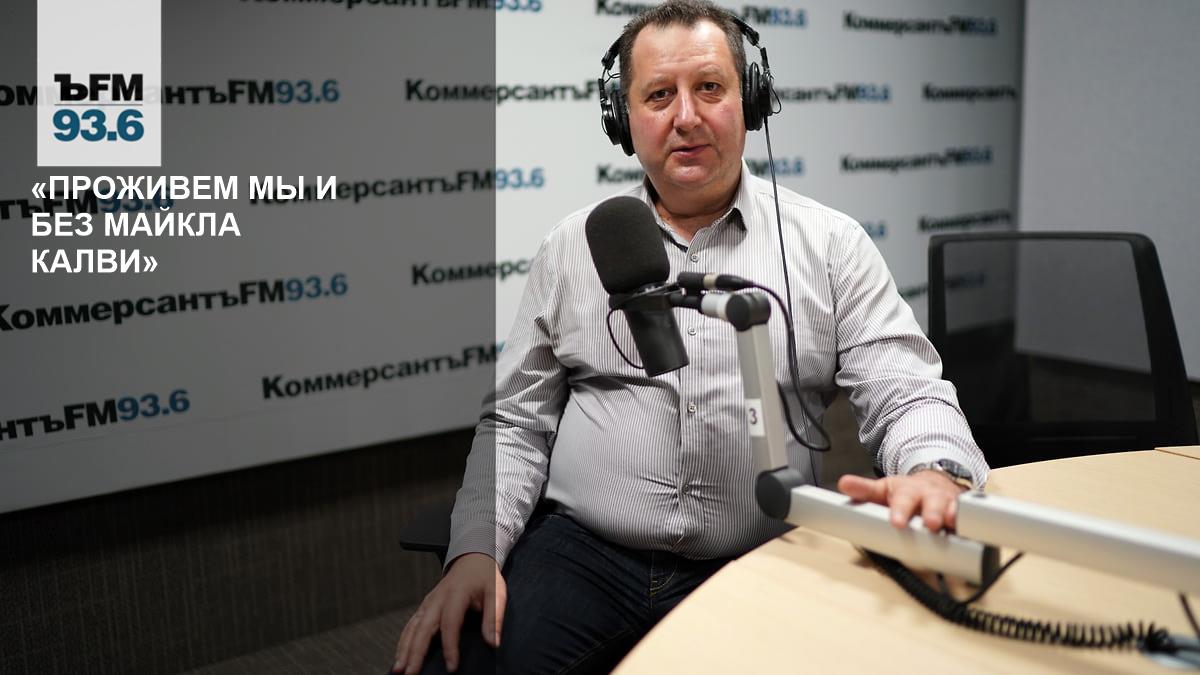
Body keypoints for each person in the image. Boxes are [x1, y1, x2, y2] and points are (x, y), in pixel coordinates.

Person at [392, 1, 989, 673]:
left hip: (756, 554)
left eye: (709, 87)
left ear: (751, 99)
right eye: (658, 95)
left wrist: (936, 471)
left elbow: (906, 393)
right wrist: (476, 548)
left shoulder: (830, 247)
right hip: (585, 552)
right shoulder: (571, 248)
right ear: (621, 119)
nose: (685, 116)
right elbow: (516, 421)